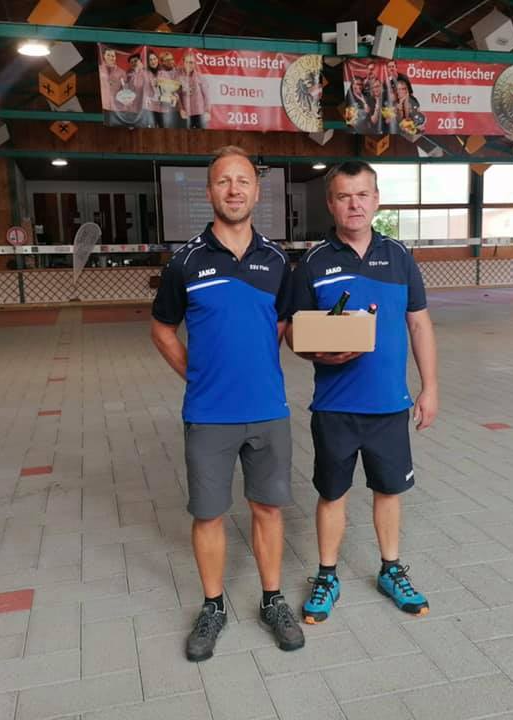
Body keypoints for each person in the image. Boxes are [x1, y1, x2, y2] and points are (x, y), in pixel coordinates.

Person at [151, 146, 305, 662]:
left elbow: (281, 327)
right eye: (223, 181)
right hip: (208, 414)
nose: (234, 189)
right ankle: (213, 606)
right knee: (209, 513)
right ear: (209, 191)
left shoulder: (277, 261)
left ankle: (272, 600)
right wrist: (196, 374)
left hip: (268, 412)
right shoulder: (186, 261)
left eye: (243, 181)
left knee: (268, 508)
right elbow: (161, 329)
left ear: (257, 191)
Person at [287, 160, 438, 625]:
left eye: (362, 194)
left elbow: (419, 323)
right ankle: (327, 575)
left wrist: (430, 387)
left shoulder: (400, 257)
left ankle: (391, 569)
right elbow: (294, 333)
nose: (353, 204)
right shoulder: (313, 262)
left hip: (389, 404)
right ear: (330, 204)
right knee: (332, 493)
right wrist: (317, 352)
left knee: (389, 490)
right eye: (343, 196)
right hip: (334, 407)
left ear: (376, 200)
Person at [179, 51, 210, 129]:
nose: (189, 65)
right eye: (187, 62)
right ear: (183, 63)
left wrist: (207, 111)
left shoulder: (200, 77)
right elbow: (178, 95)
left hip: (200, 113)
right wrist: (181, 109)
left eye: (191, 62)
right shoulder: (179, 77)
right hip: (185, 114)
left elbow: (207, 96)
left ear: (195, 64)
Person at [393, 74, 425, 138]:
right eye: (399, 89)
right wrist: (401, 102)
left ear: (407, 90)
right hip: (399, 134)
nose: (401, 91)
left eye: (403, 89)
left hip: (414, 132)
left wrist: (421, 123)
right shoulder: (393, 103)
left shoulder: (413, 100)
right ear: (396, 90)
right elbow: (399, 120)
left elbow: (419, 114)